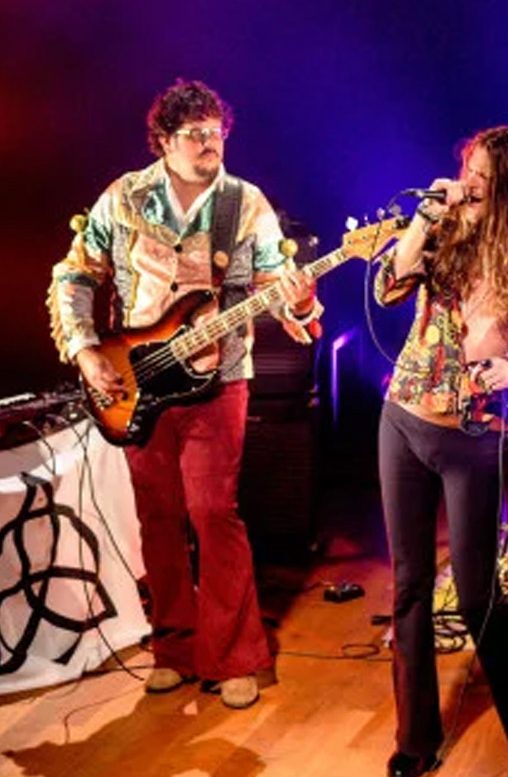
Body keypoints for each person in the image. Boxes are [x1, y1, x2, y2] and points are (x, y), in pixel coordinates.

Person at [47, 78, 319, 708]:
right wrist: (86, 350)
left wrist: (299, 299)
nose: (209, 143)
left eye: (216, 132)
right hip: (137, 379)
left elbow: (279, 286)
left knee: (213, 511)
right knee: (158, 513)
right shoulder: (124, 197)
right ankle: (173, 644)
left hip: (219, 378)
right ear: (165, 141)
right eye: (195, 134)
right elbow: (74, 274)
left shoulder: (245, 203)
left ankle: (233, 657)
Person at [373, 125, 508, 777]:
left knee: (476, 595)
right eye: (466, 169)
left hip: (473, 436)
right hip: (405, 418)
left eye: (482, 178)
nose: (468, 185)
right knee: (409, 585)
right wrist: (424, 219)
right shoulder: (447, 235)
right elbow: (387, 287)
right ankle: (415, 737)